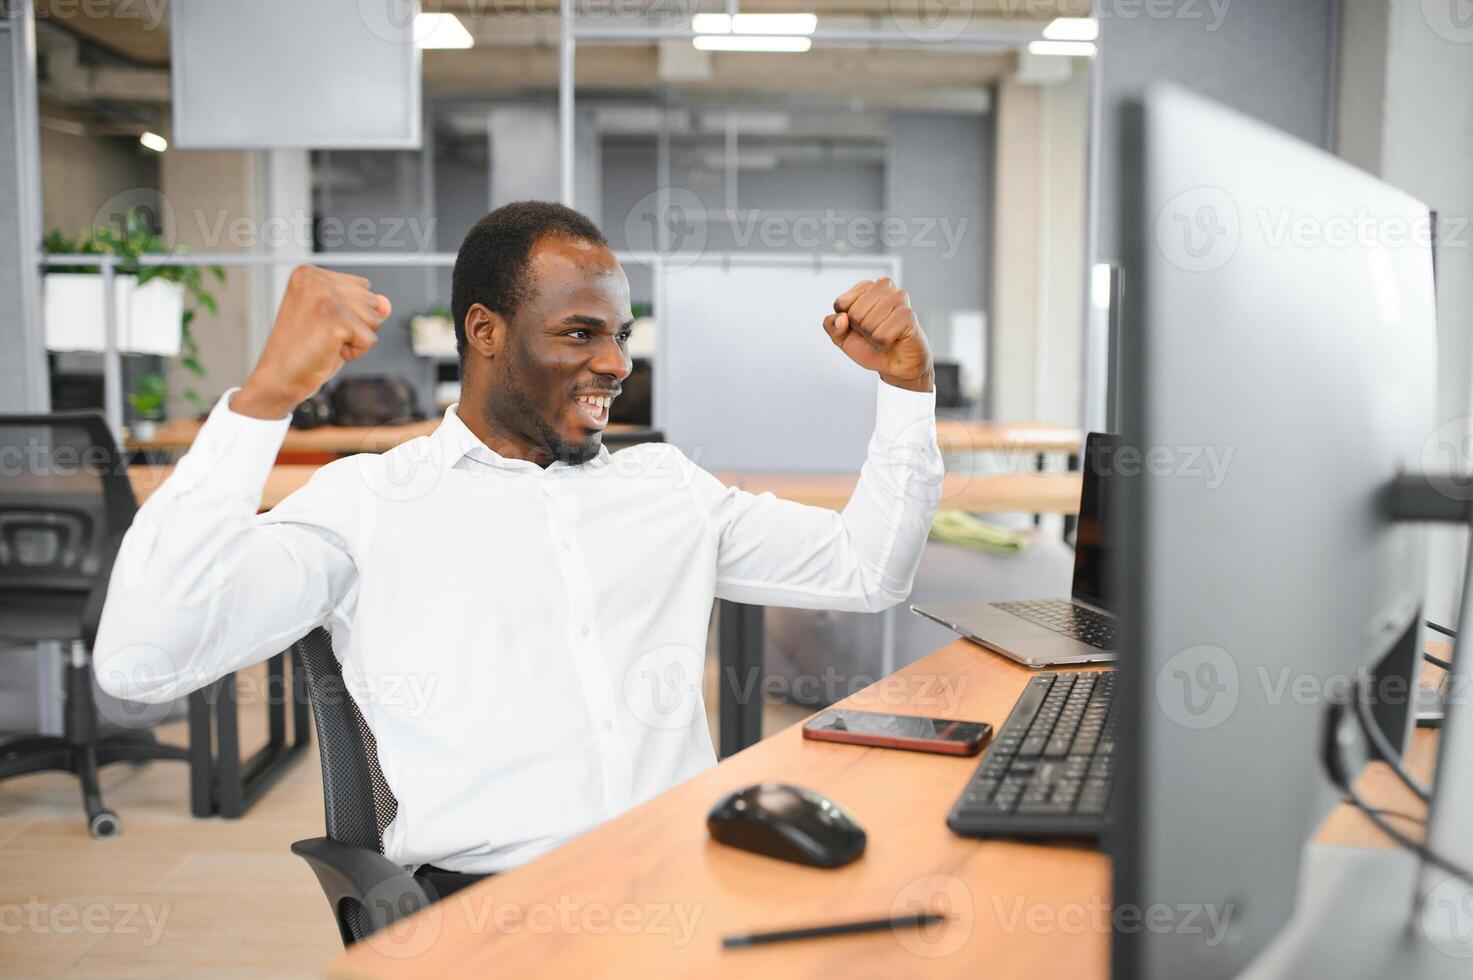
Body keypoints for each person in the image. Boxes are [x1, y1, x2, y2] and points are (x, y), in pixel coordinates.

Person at [94, 201, 943, 893]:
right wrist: (263, 401)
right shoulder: (371, 502)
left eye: (622, 334)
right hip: (496, 905)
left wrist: (905, 388)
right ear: (484, 330)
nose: (615, 363)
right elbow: (141, 663)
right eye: (580, 333)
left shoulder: (665, 488)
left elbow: (867, 570)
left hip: (684, 880)